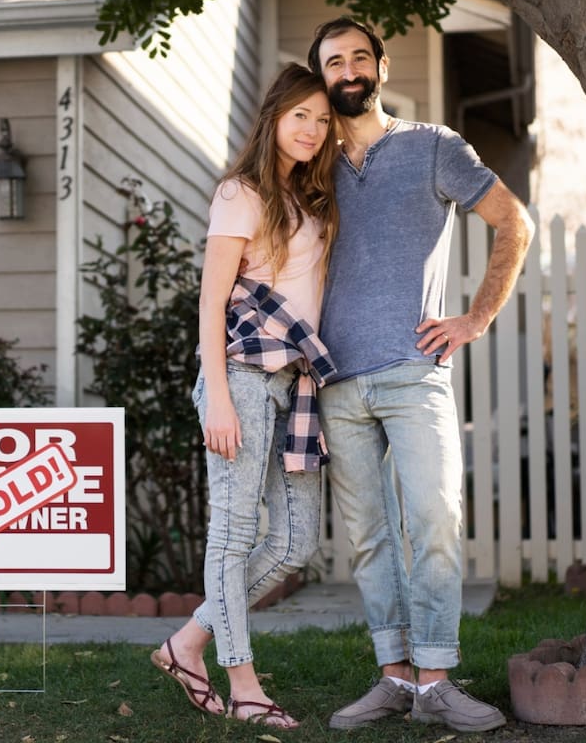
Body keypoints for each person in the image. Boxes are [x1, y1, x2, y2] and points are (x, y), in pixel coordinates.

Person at [306, 16, 535, 733]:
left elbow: (512, 220)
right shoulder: (309, 163)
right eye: (332, 62)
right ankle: (394, 678)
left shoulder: (434, 147)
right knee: (369, 538)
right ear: (322, 78)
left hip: (413, 371)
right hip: (335, 381)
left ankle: (436, 678)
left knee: (434, 519)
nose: (347, 70)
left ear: (379, 65)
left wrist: (476, 318)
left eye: (357, 57)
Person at [149, 63, 339, 729]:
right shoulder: (242, 193)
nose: (312, 130)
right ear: (273, 119)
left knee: (295, 544)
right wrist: (220, 398)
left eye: (321, 119)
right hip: (243, 378)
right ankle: (244, 685)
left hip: (296, 387)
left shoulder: (310, 201)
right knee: (232, 539)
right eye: (300, 117)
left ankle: (185, 646)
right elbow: (209, 303)